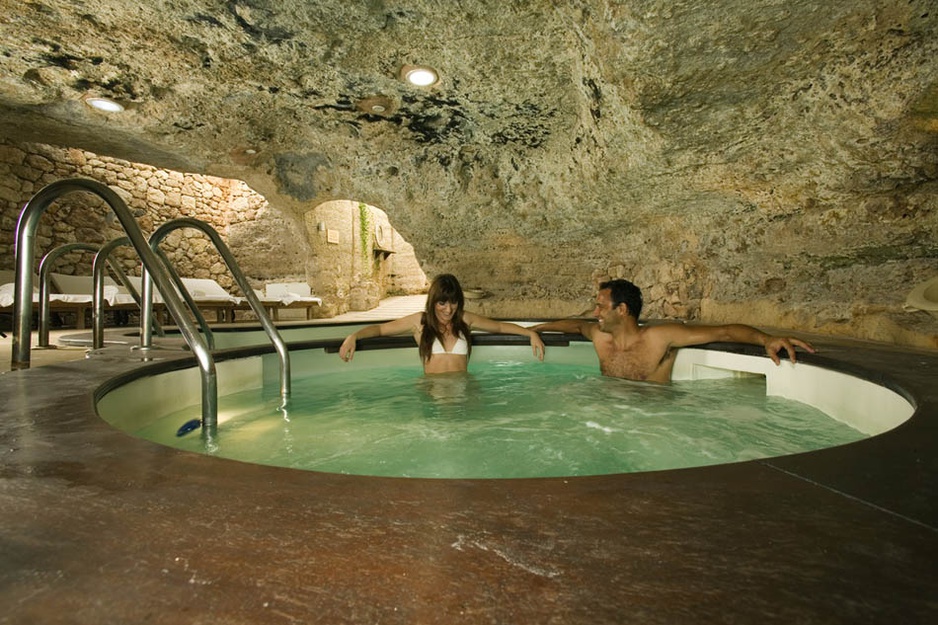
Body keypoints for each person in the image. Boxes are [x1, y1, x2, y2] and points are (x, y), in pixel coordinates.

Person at [531, 278, 815, 384]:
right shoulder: (600, 337)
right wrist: (534, 329)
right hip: (608, 415)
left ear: (622, 310)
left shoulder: (660, 337)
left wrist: (766, 339)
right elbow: (575, 325)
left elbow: (725, 333)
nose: (595, 313)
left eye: (601, 307)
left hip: (656, 419)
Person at [339, 274, 545, 374]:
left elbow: (499, 327)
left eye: (453, 302)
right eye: (442, 303)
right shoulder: (419, 322)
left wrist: (530, 334)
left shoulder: (465, 319)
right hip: (432, 391)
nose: (448, 309)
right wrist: (354, 336)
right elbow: (381, 329)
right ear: (433, 302)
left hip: (464, 389)